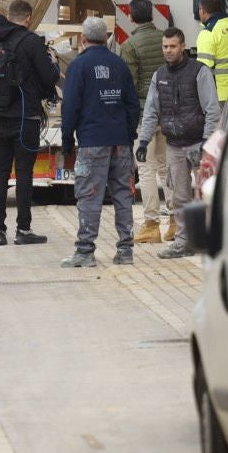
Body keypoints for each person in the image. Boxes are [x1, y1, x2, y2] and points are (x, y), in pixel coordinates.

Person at [60, 16, 141, 268]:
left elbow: (70, 107)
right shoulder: (119, 65)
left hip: (92, 143)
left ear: (83, 39)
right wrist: (127, 136)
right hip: (120, 142)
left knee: (89, 195)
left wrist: (66, 141)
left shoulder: (78, 66)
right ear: (106, 38)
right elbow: (132, 105)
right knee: (123, 195)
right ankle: (126, 250)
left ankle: (85, 252)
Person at [135, 28, 220, 259]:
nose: (168, 51)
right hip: (174, 145)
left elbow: (212, 110)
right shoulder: (159, 75)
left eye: (172, 46)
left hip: (198, 144)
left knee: (207, 194)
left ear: (183, 46)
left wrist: (206, 143)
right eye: (165, 47)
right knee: (179, 197)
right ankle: (184, 242)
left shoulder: (199, 72)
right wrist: (144, 141)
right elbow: (151, 110)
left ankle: (213, 241)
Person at [0, 0, 57, 248]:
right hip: (26, 116)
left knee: (0, 171)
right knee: (24, 172)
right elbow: (49, 76)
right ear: (28, 18)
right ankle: (23, 229)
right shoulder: (31, 41)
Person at [117, 0, 169, 245]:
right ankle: (177, 221)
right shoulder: (165, 40)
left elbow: (130, 84)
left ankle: (151, 224)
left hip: (143, 113)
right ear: (152, 15)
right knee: (166, 166)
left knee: (146, 169)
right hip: (168, 111)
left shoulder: (129, 45)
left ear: (130, 17)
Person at [195, 0, 228, 106]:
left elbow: (203, 69)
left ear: (203, 11)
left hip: (220, 93)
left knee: (220, 123)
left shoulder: (208, 33)